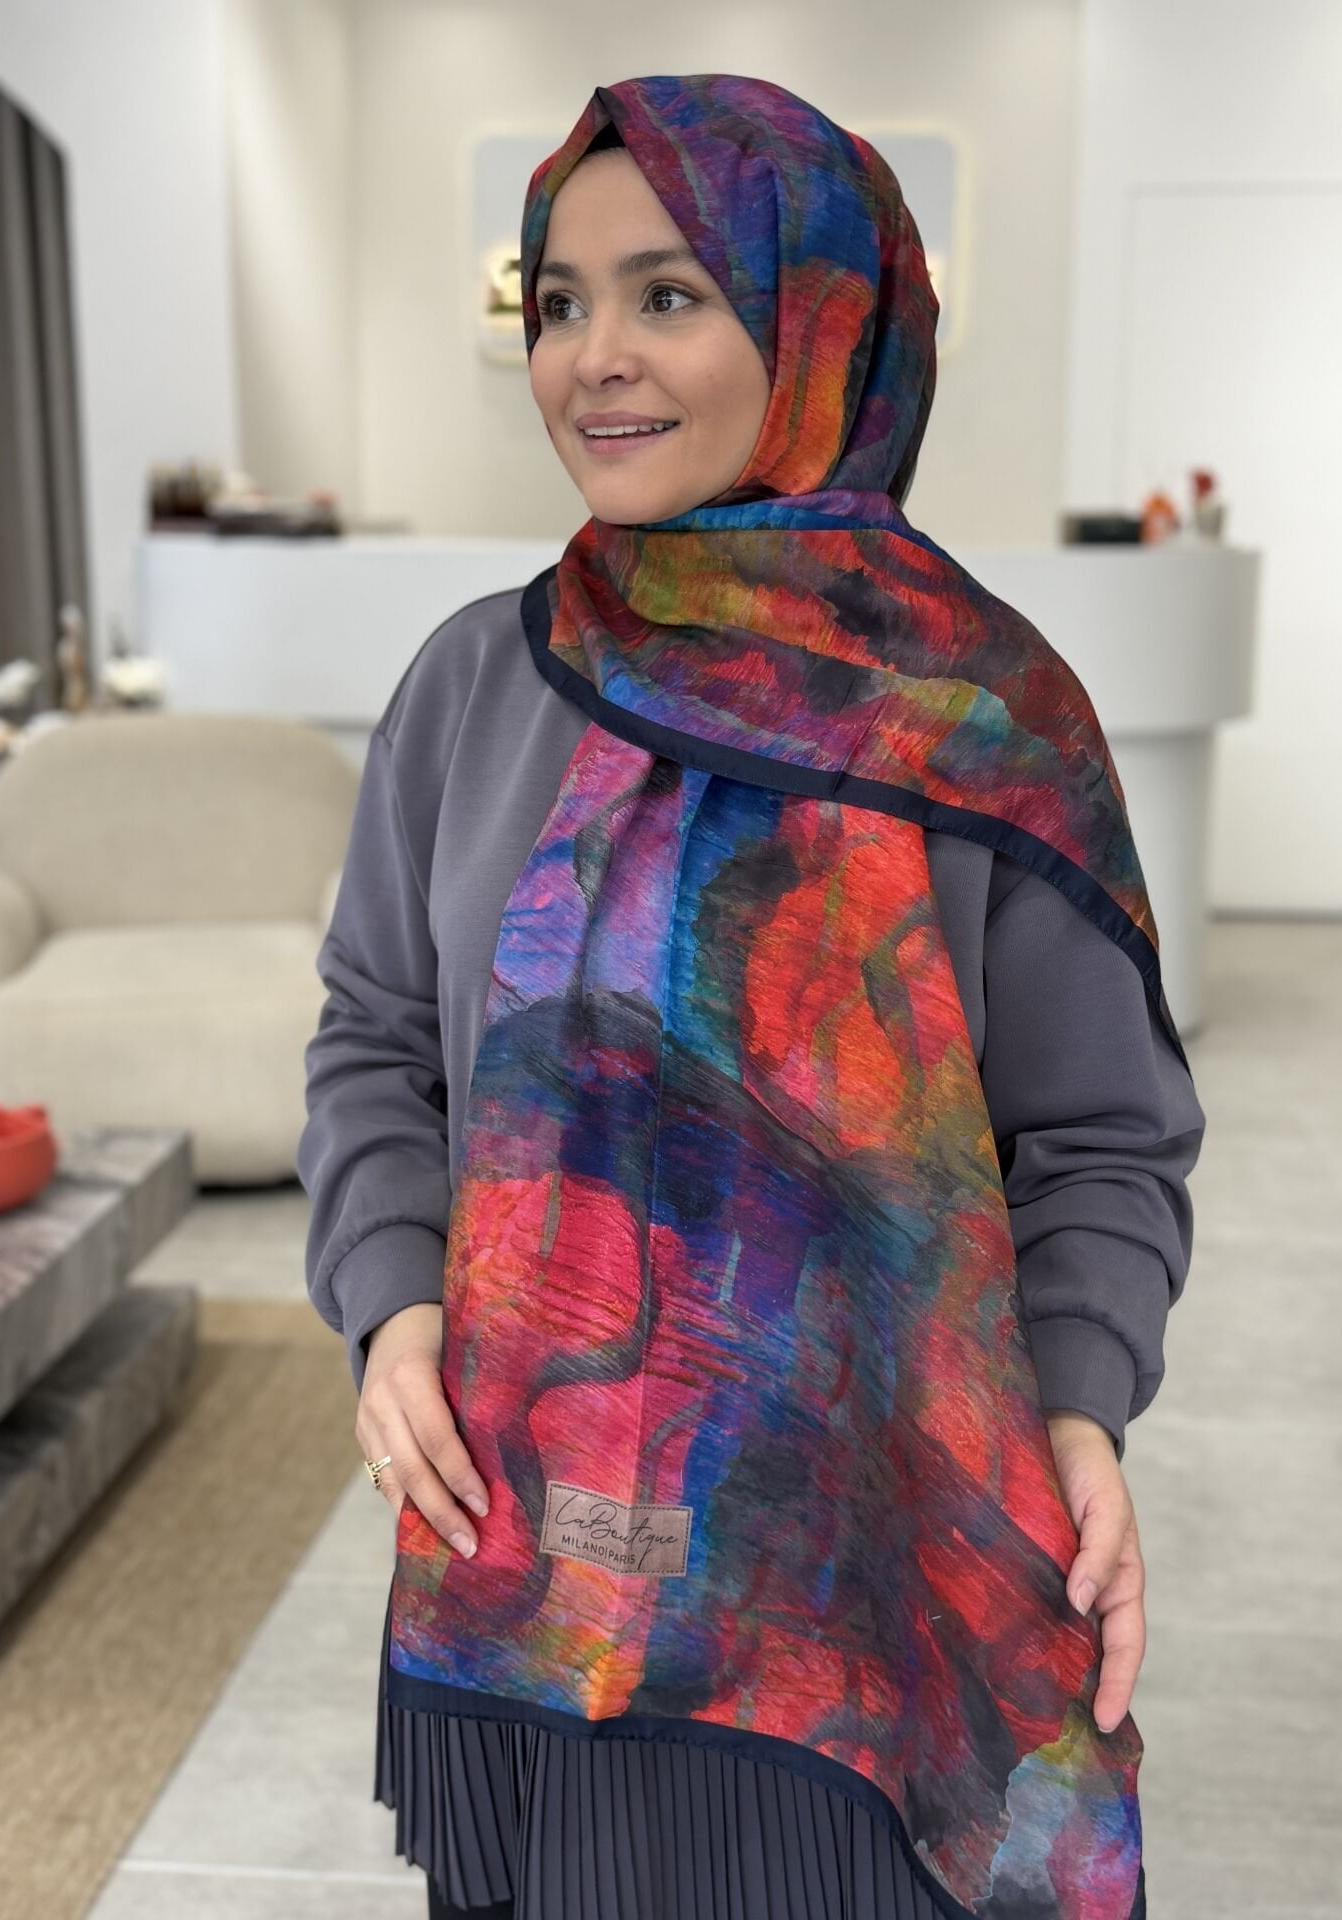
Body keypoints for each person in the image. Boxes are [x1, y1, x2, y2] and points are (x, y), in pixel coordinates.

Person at [297, 74, 1206, 1920]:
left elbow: (1103, 1136)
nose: (595, 359)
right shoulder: (473, 686)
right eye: (558, 300)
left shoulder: (988, 724)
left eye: (670, 293)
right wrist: (390, 1308)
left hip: (877, 1599)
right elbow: (376, 1038)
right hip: (533, 1583)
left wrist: (1080, 1408)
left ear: (819, 325)